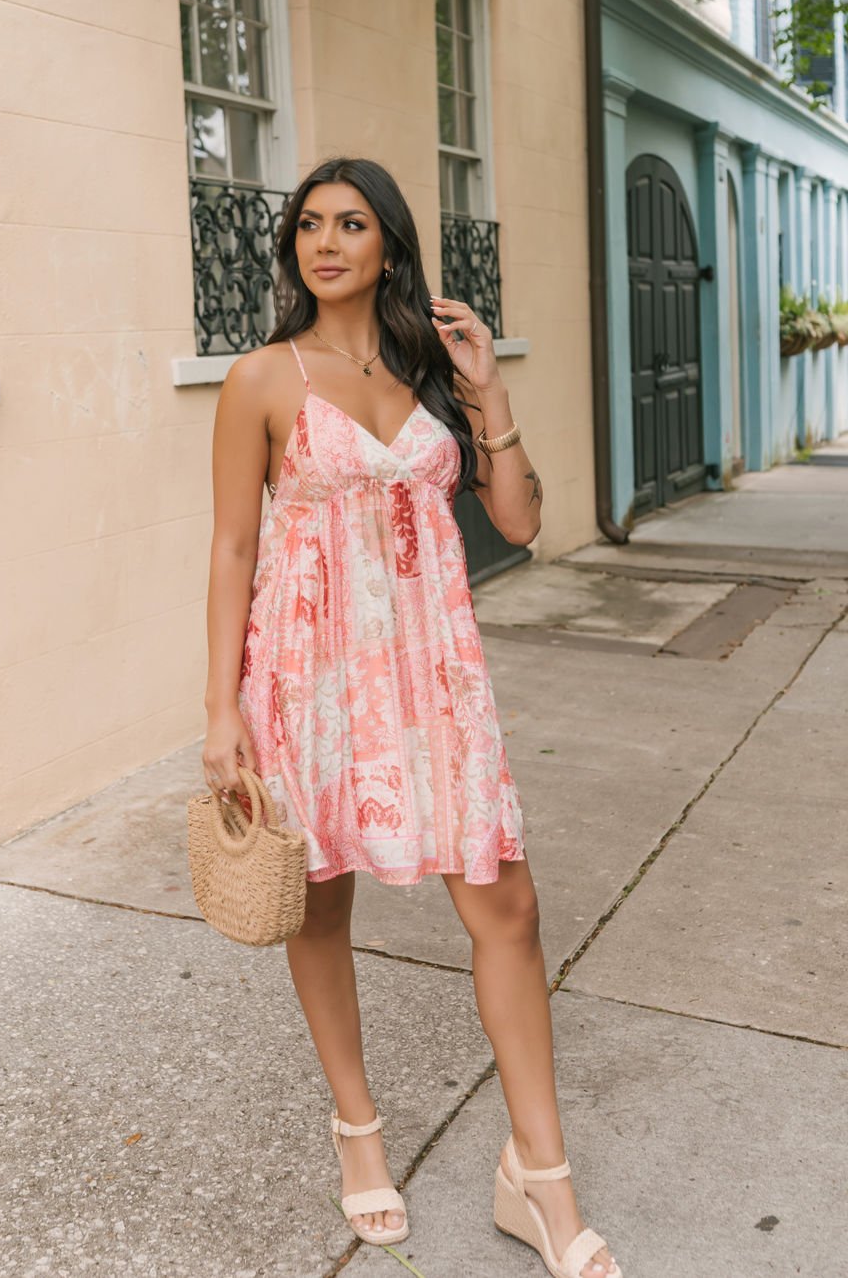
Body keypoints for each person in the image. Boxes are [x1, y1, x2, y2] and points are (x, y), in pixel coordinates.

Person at [201, 158, 620, 1278]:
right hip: (309, 681)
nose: (323, 242)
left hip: (434, 681)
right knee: (319, 906)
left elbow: (520, 522)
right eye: (306, 225)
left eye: (350, 223)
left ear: (390, 243)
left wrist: (486, 391)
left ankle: (540, 1178)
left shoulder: (439, 372)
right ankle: (359, 1132)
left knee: (509, 909)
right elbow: (234, 548)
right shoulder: (261, 379)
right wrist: (219, 711)